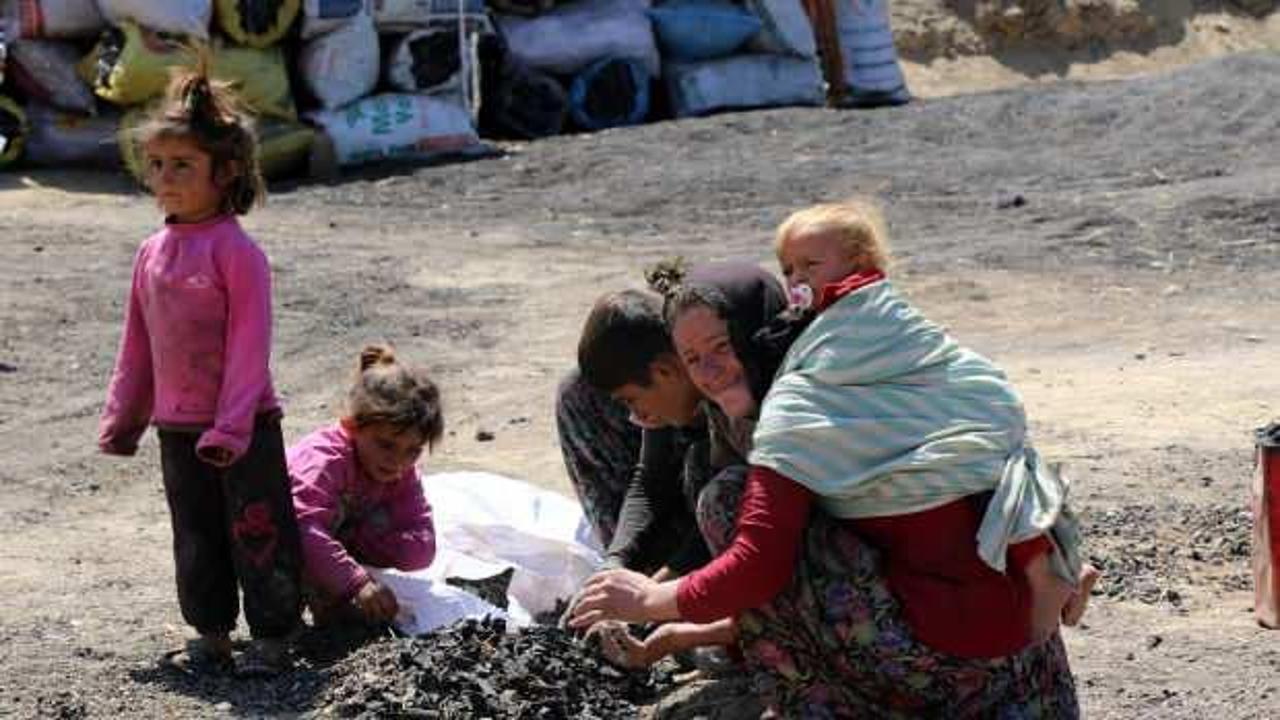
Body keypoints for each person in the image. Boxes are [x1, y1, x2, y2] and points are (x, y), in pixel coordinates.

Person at [571, 219, 1083, 715]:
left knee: (728, 503)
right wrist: (685, 626)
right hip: (1021, 665)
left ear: (758, 331)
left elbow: (761, 566)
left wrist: (651, 600)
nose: (707, 372)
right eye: (693, 359)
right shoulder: (856, 370)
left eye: (722, 347)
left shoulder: (798, 412)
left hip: (961, 661)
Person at [774, 199, 1100, 640]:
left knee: (981, 478)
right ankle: (1063, 571)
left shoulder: (863, 309)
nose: (798, 280)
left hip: (960, 404)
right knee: (986, 488)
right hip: (941, 419)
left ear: (858, 262)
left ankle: (1051, 581)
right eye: (788, 270)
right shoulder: (828, 323)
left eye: (810, 264)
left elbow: (858, 367)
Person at [98, 61, 302, 677]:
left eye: (182, 165)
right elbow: (139, 344)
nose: (164, 178)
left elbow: (248, 346)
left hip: (244, 429)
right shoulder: (151, 253)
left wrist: (233, 427)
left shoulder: (237, 253)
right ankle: (211, 633)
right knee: (195, 535)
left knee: (258, 532)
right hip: (179, 429)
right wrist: (123, 417)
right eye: (156, 165)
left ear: (227, 171)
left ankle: (272, 637)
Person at [289, 345, 443, 626]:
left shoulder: (402, 469)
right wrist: (357, 582)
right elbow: (302, 528)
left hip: (340, 540)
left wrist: (360, 543)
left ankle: (332, 587)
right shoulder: (324, 462)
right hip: (270, 539)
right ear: (351, 426)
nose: (398, 461)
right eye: (386, 445)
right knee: (283, 597)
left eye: (413, 450)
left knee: (413, 551)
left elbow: (423, 541)